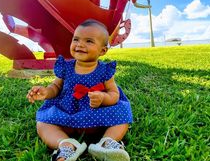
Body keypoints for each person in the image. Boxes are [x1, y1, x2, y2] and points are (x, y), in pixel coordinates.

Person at [27, 19, 132, 161]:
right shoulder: (66, 67)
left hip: (98, 115)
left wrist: (103, 98)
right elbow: (56, 87)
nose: (80, 44)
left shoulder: (105, 71)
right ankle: (67, 146)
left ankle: (107, 142)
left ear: (102, 50)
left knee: (122, 114)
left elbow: (114, 95)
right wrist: (46, 92)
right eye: (76, 39)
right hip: (68, 114)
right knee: (43, 123)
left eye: (89, 41)